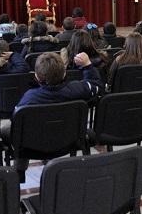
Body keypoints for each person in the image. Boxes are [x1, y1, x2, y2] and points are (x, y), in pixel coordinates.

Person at [12, 51, 104, 181]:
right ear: (65, 73)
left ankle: (19, 170)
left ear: (37, 77)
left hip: (32, 146)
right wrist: (87, 66)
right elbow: (96, 86)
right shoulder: (76, 89)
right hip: (69, 139)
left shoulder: (29, 97)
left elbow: (17, 125)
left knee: (15, 129)